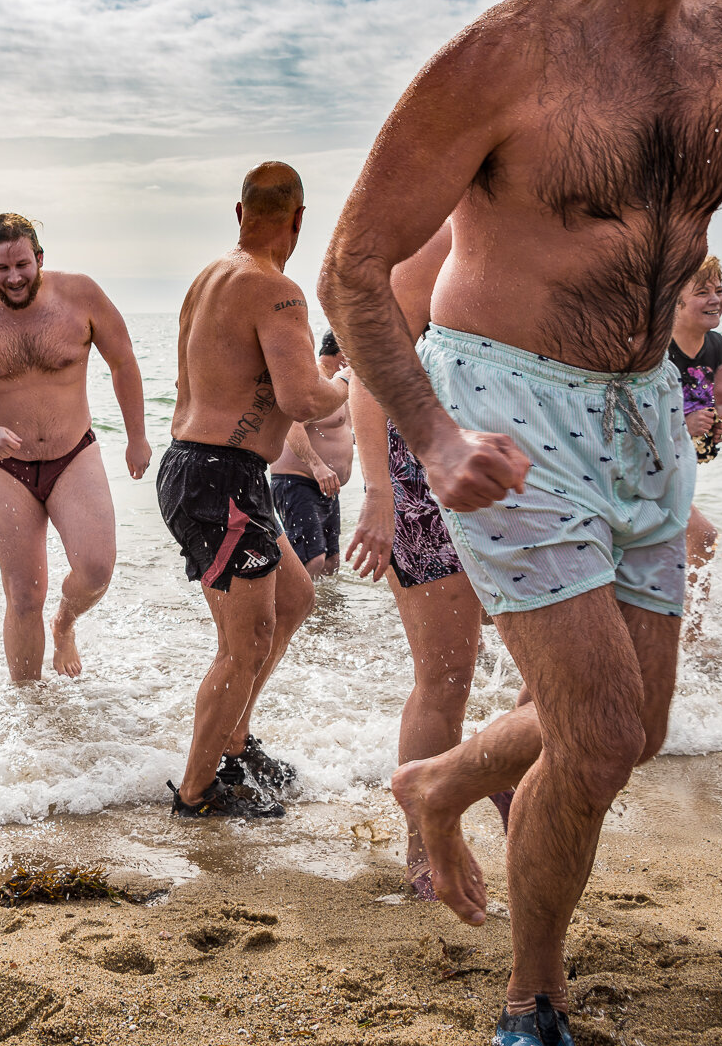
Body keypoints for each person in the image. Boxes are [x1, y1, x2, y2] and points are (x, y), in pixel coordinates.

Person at [318, 0, 722, 1039]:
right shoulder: (503, 57)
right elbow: (355, 266)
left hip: (643, 402)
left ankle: (433, 783)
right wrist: (430, 435)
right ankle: (531, 1000)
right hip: (507, 404)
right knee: (595, 732)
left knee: (631, 726)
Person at [161, 162, 351, 818]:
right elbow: (305, 398)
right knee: (243, 642)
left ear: (239, 213)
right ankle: (195, 791)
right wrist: (348, 386)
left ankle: (235, 744)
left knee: (294, 600)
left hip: (202, 471)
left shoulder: (210, 279)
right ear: (299, 221)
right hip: (220, 479)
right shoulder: (277, 290)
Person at [340, 222, 501, 898]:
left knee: (561, 662)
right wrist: (377, 491)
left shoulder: (545, 232)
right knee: (446, 676)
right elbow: (368, 373)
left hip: (518, 463)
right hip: (421, 476)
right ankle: (426, 845)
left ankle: (502, 774)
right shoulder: (430, 249)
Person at [0, 214, 153, 680]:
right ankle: (31, 713)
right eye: (1, 269)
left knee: (95, 570)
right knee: (24, 595)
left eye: (22, 265)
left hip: (74, 453)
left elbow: (124, 361)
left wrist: (137, 437)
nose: (13, 278)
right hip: (4, 465)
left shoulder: (81, 295)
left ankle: (66, 623)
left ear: (39, 258)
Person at [268, 330, 355, 578]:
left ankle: (325, 616)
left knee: (331, 561)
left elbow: (340, 429)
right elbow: (293, 426)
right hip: (297, 481)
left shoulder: (340, 384)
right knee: (312, 559)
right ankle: (293, 610)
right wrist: (317, 466)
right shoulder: (313, 379)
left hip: (327, 485)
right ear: (342, 354)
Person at [670, 256, 722, 593]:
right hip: (636, 471)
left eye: (719, 290)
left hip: (680, 468)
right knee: (704, 537)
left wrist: (719, 425)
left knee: (701, 542)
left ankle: (691, 637)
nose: (715, 299)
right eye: (702, 292)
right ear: (673, 302)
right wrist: (683, 423)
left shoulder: (717, 345)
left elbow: (711, 400)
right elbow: (624, 417)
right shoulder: (654, 350)